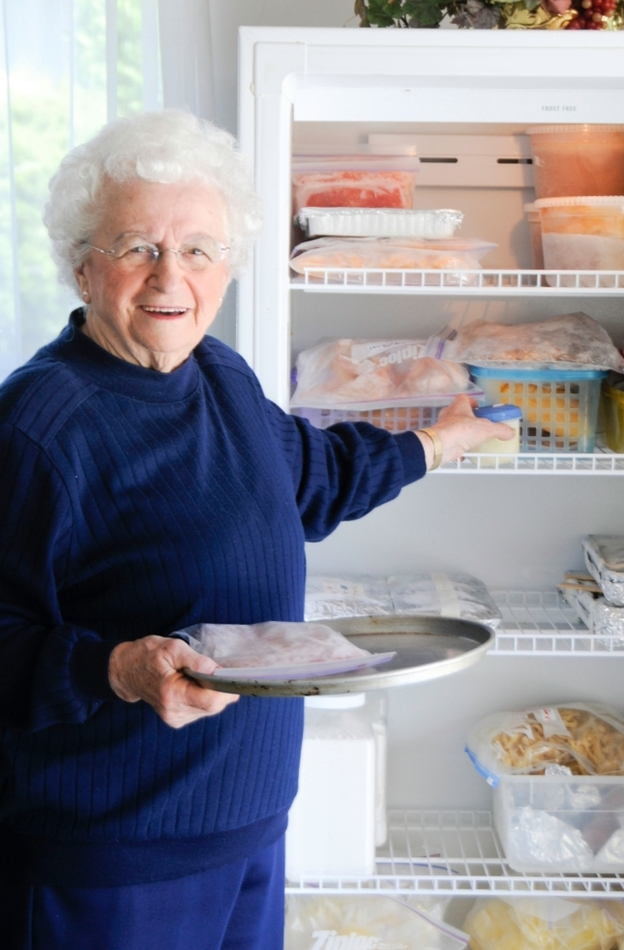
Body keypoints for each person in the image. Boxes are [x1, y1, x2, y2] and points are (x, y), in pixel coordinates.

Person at [0, 110, 511, 950]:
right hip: (108, 864)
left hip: (248, 830)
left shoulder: (220, 377)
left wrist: (440, 439)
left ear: (228, 267)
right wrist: (117, 669)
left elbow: (310, 479)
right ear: (85, 266)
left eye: (198, 249)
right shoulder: (42, 426)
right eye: (138, 246)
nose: (171, 276)